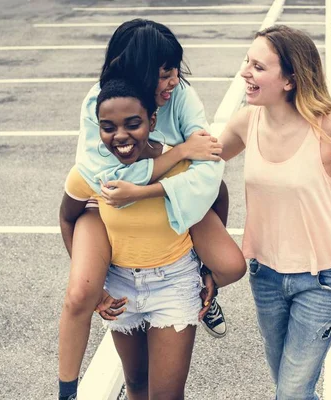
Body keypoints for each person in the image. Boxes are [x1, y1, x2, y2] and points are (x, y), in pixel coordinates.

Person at [57, 20, 246, 400]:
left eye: (175, 70)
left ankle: (200, 276)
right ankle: (66, 391)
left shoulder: (181, 96)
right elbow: (104, 177)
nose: (174, 81)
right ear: (138, 70)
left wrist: (152, 187)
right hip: (117, 241)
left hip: (172, 242)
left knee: (229, 263)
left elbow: (210, 169)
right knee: (83, 297)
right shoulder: (101, 101)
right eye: (164, 73)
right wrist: (177, 153)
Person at [216, 25, 331, 399]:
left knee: (291, 392)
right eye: (248, 62)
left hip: (322, 280)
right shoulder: (247, 121)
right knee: (290, 388)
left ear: (290, 79)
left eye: (258, 67)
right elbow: (201, 162)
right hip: (265, 275)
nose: (246, 72)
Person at [60, 78, 210, 400]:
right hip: (121, 287)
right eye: (108, 127)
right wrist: (94, 284)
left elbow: (217, 194)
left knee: (166, 395)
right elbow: (67, 216)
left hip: (174, 282)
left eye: (133, 124)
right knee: (137, 383)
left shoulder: (177, 161)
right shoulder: (92, 172)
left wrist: (208, 269)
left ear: (152, 121)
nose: (121, 136)